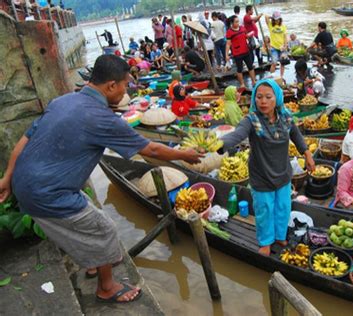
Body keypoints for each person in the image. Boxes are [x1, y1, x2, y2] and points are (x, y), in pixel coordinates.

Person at [0, 55, 203, 304]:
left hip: (25, 184)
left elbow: (26, 138)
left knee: (84, 219)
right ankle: (106, 288)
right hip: (47, 193)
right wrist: (185, 155)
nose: (126, 90)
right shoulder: (101, 118)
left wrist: (8, 177)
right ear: (111, 86)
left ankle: (96, 262)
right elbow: (151, 150)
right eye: (125, 85)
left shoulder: (63, 101)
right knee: (103, 228)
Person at [218, 79, 316, 255]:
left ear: (277, 98)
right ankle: (265, 241)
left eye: (268, 97)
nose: (263, 101)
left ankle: (279, 236)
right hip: (261, 175)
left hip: (283, 173)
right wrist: (218, 144)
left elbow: (296, 135)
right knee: (264, 210)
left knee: (283, 207)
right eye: (259, 97)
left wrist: (307, 154)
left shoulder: (286, 117)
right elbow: (237, 135)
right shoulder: (251, 119)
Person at [225, 15, 256, 88]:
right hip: (237, 53)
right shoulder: (229, 32)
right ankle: (242, 84)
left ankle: (254, 81)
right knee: (239, 69)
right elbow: (228, 44)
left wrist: (250, 35)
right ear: (232, 23)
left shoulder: (242, 28)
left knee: (250, 67)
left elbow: (245, 36)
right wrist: (226, 55)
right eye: (236, 22)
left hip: (246, 50)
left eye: (238, 21)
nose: (238, 23)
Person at [265, 11, 288, 78]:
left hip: (282, 47)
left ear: (280, 19)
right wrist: (272, 17)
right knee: (274, 63)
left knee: (282, 63)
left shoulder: (283, 26)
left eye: (278, 19)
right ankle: (271, 76)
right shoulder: (271, 26)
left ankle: (281, 77)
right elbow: (266, 17)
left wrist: (285, 46)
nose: (277, 21)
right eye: (275, 20)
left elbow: (285, 37)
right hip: (274, 47)